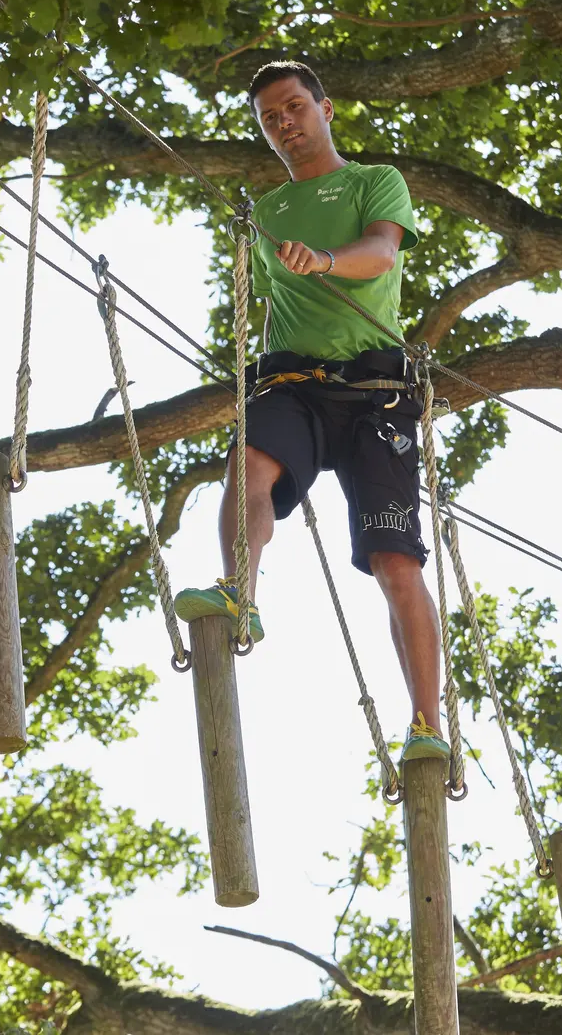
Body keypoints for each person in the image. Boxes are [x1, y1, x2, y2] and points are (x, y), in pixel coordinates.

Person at [173, 60, 448, 762]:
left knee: (395, 561)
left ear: (326, 109)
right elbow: (275, 303)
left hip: (371, 391)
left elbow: (382, 254)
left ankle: (427, 726)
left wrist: (323, 260)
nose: (284, 123)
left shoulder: (373, 182)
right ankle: (240, 591)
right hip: (292, 380)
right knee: (249, 462)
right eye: (270, 118)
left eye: (294, 107)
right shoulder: (267, 214)